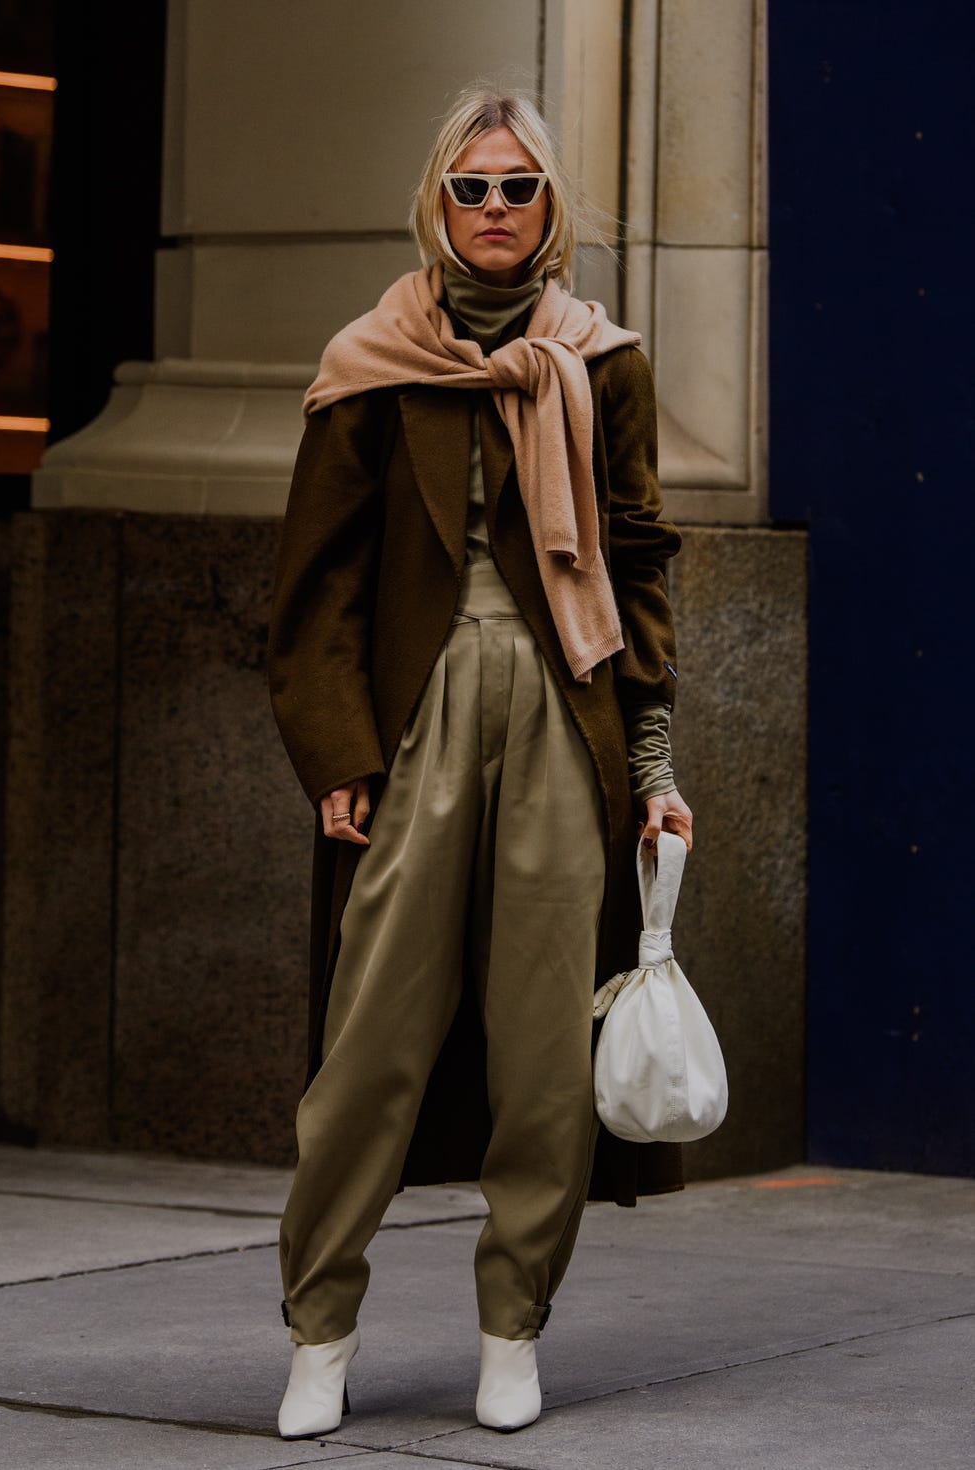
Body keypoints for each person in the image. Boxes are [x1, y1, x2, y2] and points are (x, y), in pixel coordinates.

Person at [267, 85, 693, 1439]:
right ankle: (319, 1326)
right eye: (472, 186)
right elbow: (315, 587)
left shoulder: (604, 360)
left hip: (565, 724)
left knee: (544, 1053)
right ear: (436, 202)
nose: (496, 208)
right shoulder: (373, 359)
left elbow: (637, 566)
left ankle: (514, 1324)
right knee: (368, 1050)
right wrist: (336, 750)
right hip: (414, 726)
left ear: (550, 204)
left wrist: (658, 760)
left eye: (519, 186)